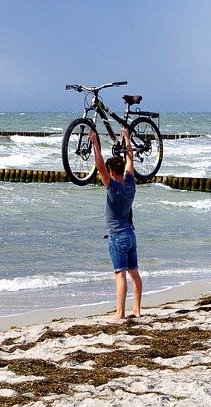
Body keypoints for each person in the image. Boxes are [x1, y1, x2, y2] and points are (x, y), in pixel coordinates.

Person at [88, 127, 142, 320]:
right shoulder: (130, 185)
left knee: (120, 275)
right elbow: (130, 159)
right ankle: (136, 309)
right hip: (131, 235)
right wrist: (127, 138)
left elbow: (99, 165)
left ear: (111, 172)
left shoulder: (112, 188)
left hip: (118, 237)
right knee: (133, 272)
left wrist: (95, 143)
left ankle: (120, 312)